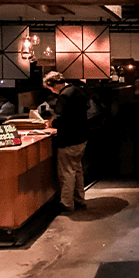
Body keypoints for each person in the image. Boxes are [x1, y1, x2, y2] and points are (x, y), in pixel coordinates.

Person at [42, 71, 87, 210]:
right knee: (77, 170)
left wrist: (51, 123)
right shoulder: (77, 90)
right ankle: (79, 199)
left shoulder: (64, 96)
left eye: (50, 88)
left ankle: (67, 203)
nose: (52, 91)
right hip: (82, 137)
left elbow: (59, 120)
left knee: (66, 172)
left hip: (69, 140)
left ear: (54, 85)